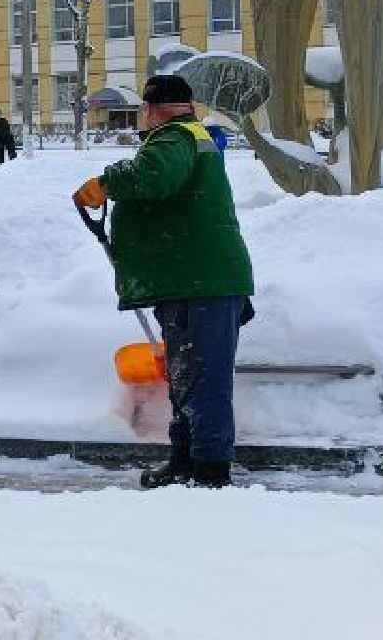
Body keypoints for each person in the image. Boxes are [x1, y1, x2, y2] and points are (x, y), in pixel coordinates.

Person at [72, 74, 253, 490]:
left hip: (200, 284)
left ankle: (208, 474)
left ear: (153, 109)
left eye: (144, 111)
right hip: (196, 280)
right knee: (187, 379)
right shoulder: (192, 135)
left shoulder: (173, 139)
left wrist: (107, 182)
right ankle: (185, 463)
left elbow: (152, 177)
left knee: (203, 382)